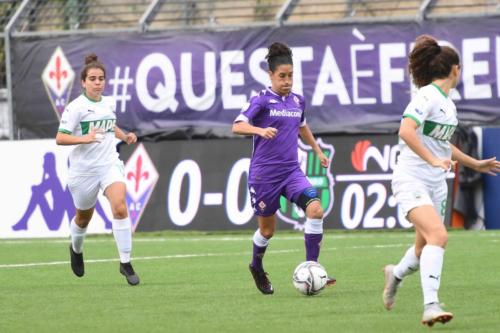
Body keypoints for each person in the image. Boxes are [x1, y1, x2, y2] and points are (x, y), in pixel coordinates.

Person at [382, 35, 500, 326]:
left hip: (436, 183)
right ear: (455, 70)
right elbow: (406, 131)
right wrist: (432, 160)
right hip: (411, 179)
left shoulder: (448, 103)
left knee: (423, 249)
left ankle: (394, 275)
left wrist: (476, 163)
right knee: (440, 237)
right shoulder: (427, 96)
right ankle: (431, 305)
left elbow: (443, 143)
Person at [232, 42, 335, 295]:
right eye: (282, 76)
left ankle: (313, 266)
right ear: (270, 75)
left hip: (291, 172)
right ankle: (256, 265)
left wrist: (318, 151)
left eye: (290, 76)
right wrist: (259, 129)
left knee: (315, 209)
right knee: (267, 231)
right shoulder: (261, 100)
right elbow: (237, 125)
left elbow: (302, 127)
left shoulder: (298, 101)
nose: (287, 81)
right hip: (264, 176)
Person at [56, 53, 140, 286]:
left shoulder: (108, 102)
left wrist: (125, 135)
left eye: (101, 78)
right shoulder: (76, 108)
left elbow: (109, 125)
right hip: (83, 171)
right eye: (92, 79)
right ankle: (76, 248)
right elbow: (60, 138)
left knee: (120, 207)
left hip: (108, 164)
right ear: (83, 82)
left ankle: (125, 263)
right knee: (83, 218)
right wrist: (84, 139)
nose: (97, 82)